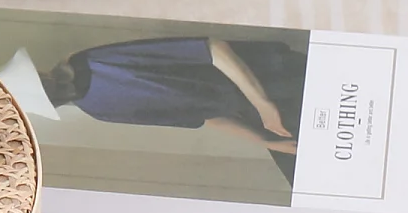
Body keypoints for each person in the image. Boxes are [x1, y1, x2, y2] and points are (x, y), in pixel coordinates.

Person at [38, 35, 307, 156]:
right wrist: (265, 142)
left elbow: (213, 49)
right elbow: (205, 116)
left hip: (272, 76)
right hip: (261, 113)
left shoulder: (93, 61)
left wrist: (262, 104)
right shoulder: (96, 109)